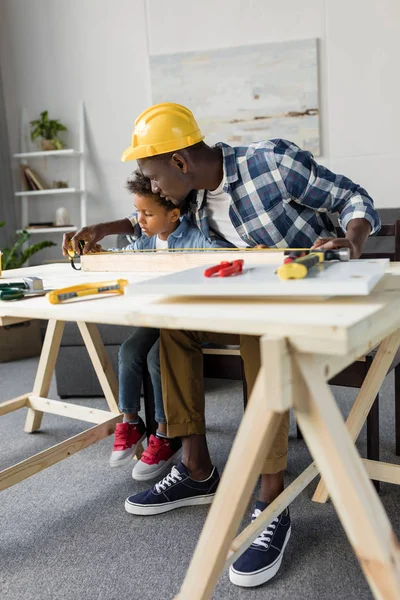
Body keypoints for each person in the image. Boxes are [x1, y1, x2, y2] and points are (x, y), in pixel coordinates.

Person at [64, 102, 380, 589]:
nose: (151, 189)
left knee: (260, 334)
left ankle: (269, 499)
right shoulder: (187, 193)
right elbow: (145, 219)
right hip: (242, 298)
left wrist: (351, 241)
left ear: (181, 163)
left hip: (303, 299)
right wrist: (100, 230)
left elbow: (353, 199)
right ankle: (196, 468)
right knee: (171, 324)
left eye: (152, 176)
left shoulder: (270, 163)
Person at [98, 169, 222, 481]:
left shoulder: (195, 240)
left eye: (147, 213)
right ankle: (130, 420)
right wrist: (100, 256)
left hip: (188, 321)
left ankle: (165, 433)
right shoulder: (148, 241)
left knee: (158, 358)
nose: (139, 220)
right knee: (128, 351)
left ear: (174, 214)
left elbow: (217, 260)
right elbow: (123, 257)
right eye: (138, 212)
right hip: (158, 319)